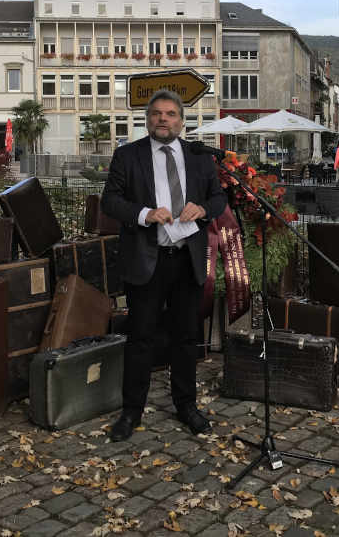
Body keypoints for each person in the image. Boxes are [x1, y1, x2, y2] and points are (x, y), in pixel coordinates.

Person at [101, 90, 227, 442]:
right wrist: (144, 214)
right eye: (156, 113)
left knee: (187, 338)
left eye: (170, 114)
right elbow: (110, 200)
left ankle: (186, 405)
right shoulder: (128, 155)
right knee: (140, 338)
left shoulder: (199, 157)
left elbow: (219, 198)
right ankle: (131, 411)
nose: (163, 119)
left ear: (181, 121)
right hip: (147, 260)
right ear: (148, 119)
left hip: (186, 260)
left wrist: (202, 209)